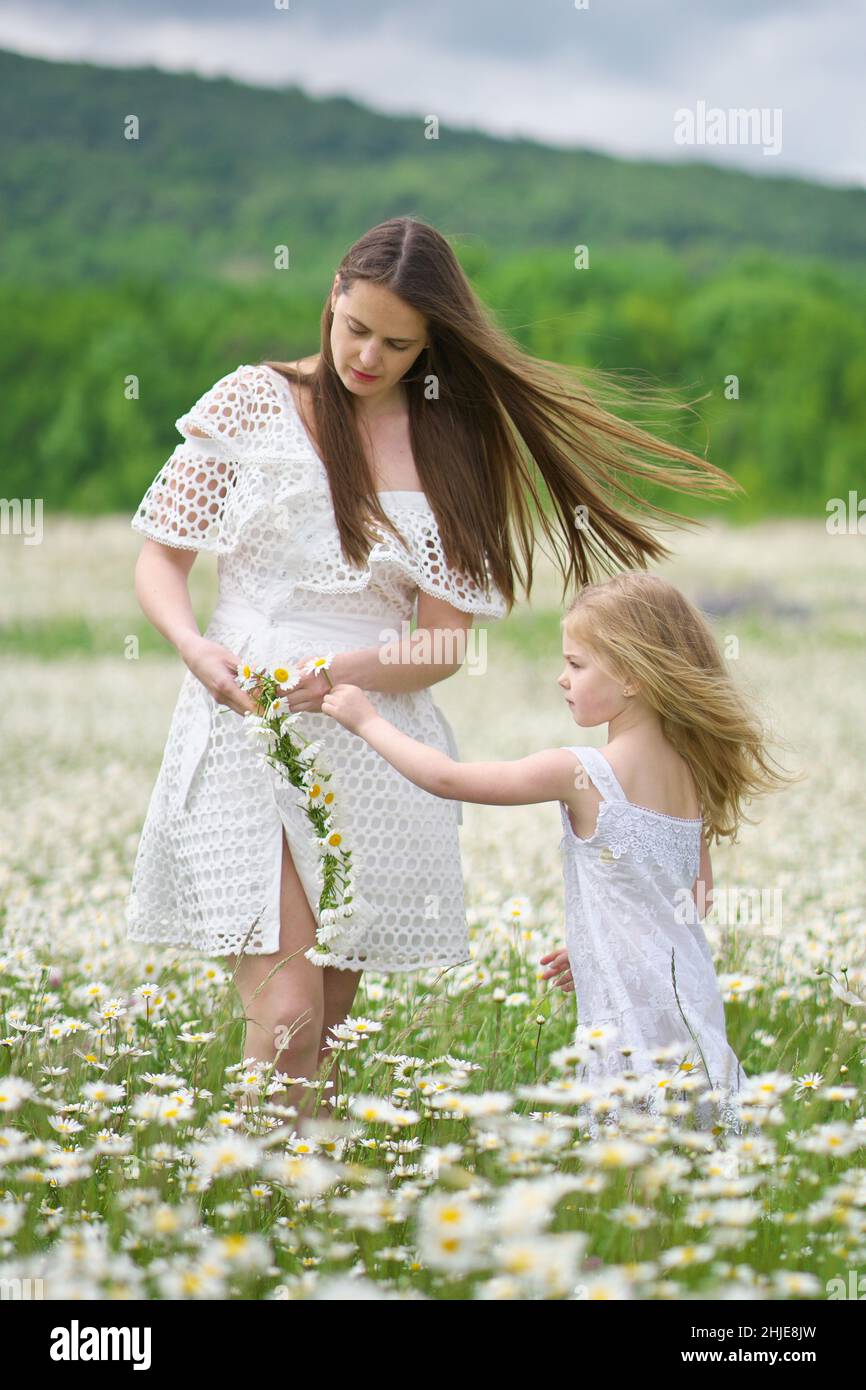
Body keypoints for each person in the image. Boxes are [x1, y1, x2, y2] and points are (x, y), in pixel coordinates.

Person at [125, 215, 740, 1115]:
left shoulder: (448, 443)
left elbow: (442, 644)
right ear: (332, 295)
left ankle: (299, 1211)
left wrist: (341, 676)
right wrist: (192, 645)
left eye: (397, 343)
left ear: (431, 344)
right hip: (240, 720)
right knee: (287, 1012)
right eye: (355, 328)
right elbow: (159, 558)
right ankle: (244, 1203)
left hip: (368, 736)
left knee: (328, 1020)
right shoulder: (251, 403)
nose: (368, 355)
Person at [321, 570, 800, 1135]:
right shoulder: (691, 772)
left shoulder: (583, 772)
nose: (561, 678)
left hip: (625, 1015)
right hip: (688, 1000)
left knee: (629, 1170)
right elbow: (695, 896)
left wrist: (366, 720)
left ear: (632, 677)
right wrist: (604, 939)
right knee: (700, 1144)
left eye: (576, 664)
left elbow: (448, 779)